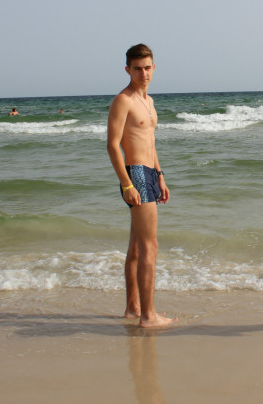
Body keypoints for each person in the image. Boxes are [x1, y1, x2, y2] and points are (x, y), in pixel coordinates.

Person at [107, 43, 175, 328]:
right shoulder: (123, 100)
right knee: (150, 246)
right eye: (137, 69)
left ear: (154, 68)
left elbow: (150, 141)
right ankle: (149, 316)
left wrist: (160, 175)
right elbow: (112, 145)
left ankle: (133, 308)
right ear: (128, 70)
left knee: (136, 247)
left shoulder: (149, 101)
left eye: (147, 68)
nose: (143, 74)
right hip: (135, 174)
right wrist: (127, 185)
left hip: (149, 173)